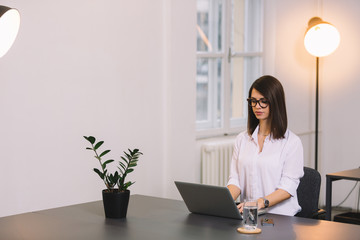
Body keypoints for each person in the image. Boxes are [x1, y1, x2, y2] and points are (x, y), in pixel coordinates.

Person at [227, 75, 304, 216]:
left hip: (279, 217)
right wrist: (224, 203)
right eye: (253, 101)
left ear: (275, 102)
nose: (257, 106)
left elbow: (288, 188)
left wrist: (260, 203)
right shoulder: (242, 139)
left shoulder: (292, 143)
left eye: (263, 101)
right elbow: (235, 180)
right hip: (249, 216)